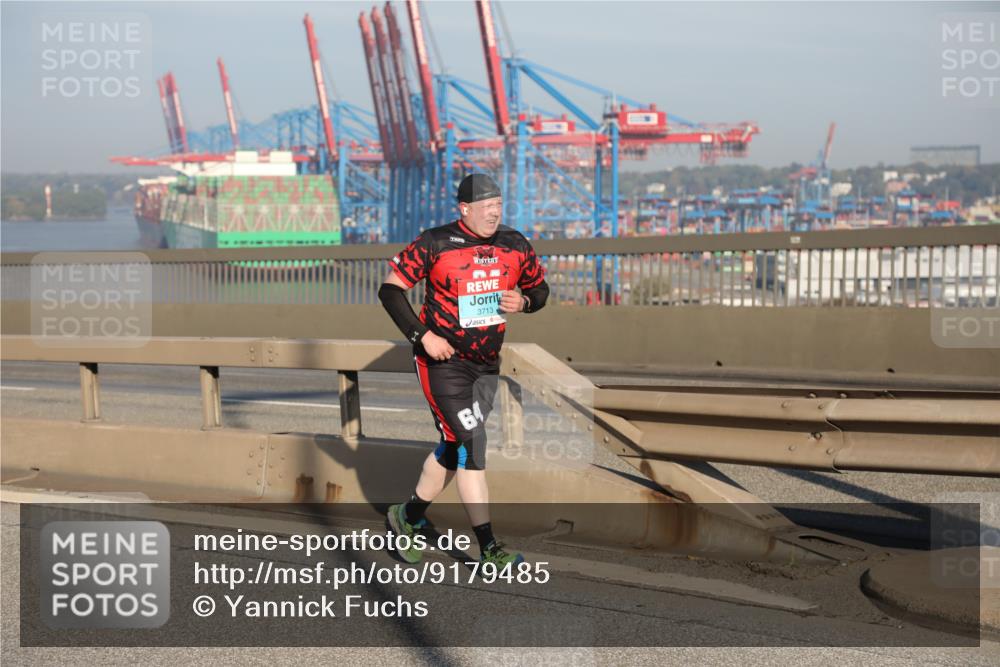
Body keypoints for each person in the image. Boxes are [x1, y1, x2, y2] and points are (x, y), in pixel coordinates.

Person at [377, 173, 550, 567]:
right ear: (465, 209)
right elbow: (390, 290)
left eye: (499, 206)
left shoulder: (514, 244)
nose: (494, 213)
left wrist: (523, 302)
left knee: (455, 446)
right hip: (444, 363)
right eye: (486, 207)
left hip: (487, 365)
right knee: (473, 445)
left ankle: (408, 516)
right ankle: (489, 547)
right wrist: (422, 336)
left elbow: (541, 291)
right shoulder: (435, 242)